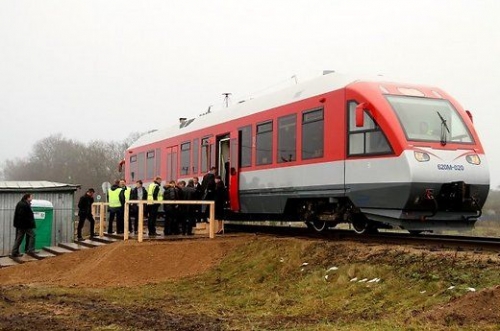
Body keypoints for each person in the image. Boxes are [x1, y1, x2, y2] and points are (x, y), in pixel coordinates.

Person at [10, 193, 36, 257]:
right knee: (33, 235)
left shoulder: (23, 203)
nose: (32, 198)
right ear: (27, 198)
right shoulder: (23, 204)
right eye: (31, 197)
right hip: (25, 225)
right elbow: (22, 215)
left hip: (21, 225)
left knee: (19, 238)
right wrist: (28, 223)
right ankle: (30, 250)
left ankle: (14, 252)